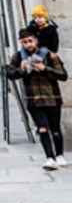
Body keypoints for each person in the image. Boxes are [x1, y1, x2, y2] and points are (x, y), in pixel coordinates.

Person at [6, 28, 68, 170]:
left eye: (30, 41)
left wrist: (45, 69)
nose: (28, 44)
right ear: (21, 43)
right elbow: (9, 74)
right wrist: (21, 70)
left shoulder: (49, 55)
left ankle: (59, 155)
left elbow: (63, 75)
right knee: (42, 128)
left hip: (53, 98)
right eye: (24, 42)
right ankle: (49, 158)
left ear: (36, 40)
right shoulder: (18, 57)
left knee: (55, 129)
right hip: (33, 100)